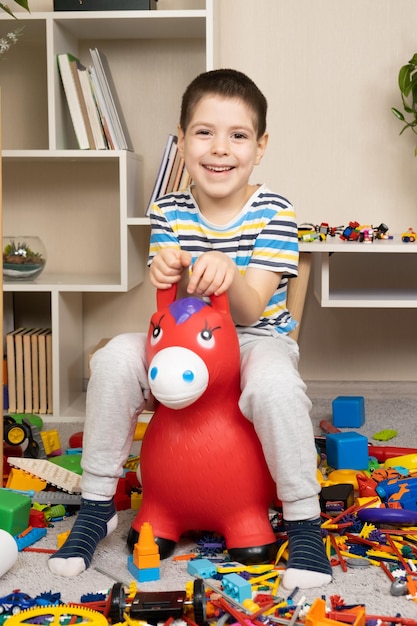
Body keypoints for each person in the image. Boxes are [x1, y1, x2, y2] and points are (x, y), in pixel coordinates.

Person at [48, 68, 332, 590]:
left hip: (254, 339)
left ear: (261, 146)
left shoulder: (276, 213)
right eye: (204, 132)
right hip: (187, 343)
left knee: (276, 387)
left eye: (238, 135)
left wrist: (229, 273)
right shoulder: (169, 210)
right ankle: (95, 505)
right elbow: (169, 317)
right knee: (112, 358)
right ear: (181, 141)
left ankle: (304, 518)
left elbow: (248, 312)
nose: (220, 149)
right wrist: (164, 276)